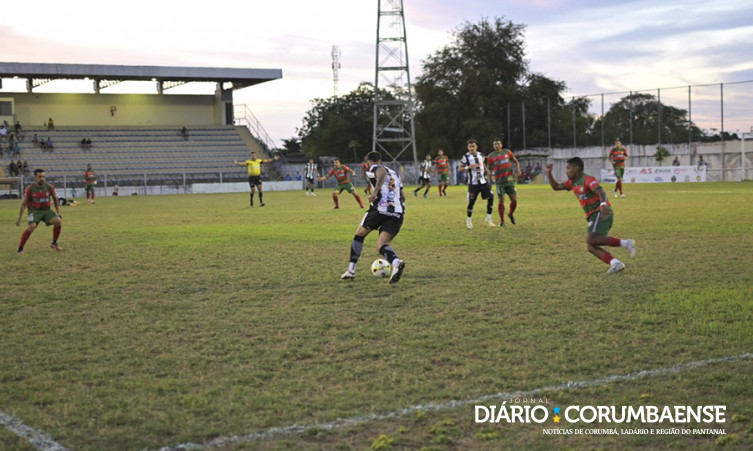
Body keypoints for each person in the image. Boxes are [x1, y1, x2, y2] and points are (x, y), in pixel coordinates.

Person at [545, 158, 636, 274]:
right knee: (591, 246)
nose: (566, 171)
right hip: (592, 215)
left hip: (601, 212)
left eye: (568, 168)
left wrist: (603, 205)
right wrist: (549, 173)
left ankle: (626, 243)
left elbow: (601, 192)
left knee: (590, 239)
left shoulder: (587, 179)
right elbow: (556, 187)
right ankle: (615, 263)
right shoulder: (572, 183)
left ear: (577, 168)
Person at [340, 151, 406, 283]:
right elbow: (403, 196)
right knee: (381, 245)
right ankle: (396, 262)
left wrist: (375, 193)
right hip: (397, 212)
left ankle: (351, 270)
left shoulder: (374, 167)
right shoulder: (395, 173)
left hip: (380, 209)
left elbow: (380, 172)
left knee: (359, 235)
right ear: (381, 159)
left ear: (368, 161)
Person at [16, 168, 63, 255]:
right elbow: (23, 204)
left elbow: (55, 199)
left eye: (43, 177)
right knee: (31, 226)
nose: (42, 178)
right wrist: (19, 219)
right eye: (39, 177)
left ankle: (54, 243)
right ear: (35, 178)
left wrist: (58, 212)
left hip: (46, 211)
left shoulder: (49, 187)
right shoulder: (30, 189)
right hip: (34, 212)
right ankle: (20, 248)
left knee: (58, 221)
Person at [458, 138, 495, 229]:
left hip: (483, 181)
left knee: (491, 197)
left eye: (473, 146)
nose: (471, 148)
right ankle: (468, 220)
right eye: (470, 146)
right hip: (473, 184)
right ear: (468, 147)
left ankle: (488, 218)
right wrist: (468, 167)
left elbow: (483, 164)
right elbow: (460, 168)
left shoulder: (481, 155)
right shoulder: (465, 157)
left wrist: (486, 170)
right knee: (471, 202)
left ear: (476, 147)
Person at [486, 137, 521, 227]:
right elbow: (488, 169)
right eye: (495, 144)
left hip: (509, 180)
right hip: (499, 182)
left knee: (514, 200)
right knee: (501, 201)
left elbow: (515, 161)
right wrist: (489, 180)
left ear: (501, 145)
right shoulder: (490, 156)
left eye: (498, 144)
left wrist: (518, 170)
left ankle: (510, 214)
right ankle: (502, 221)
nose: (496, 146)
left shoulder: (507, 152)